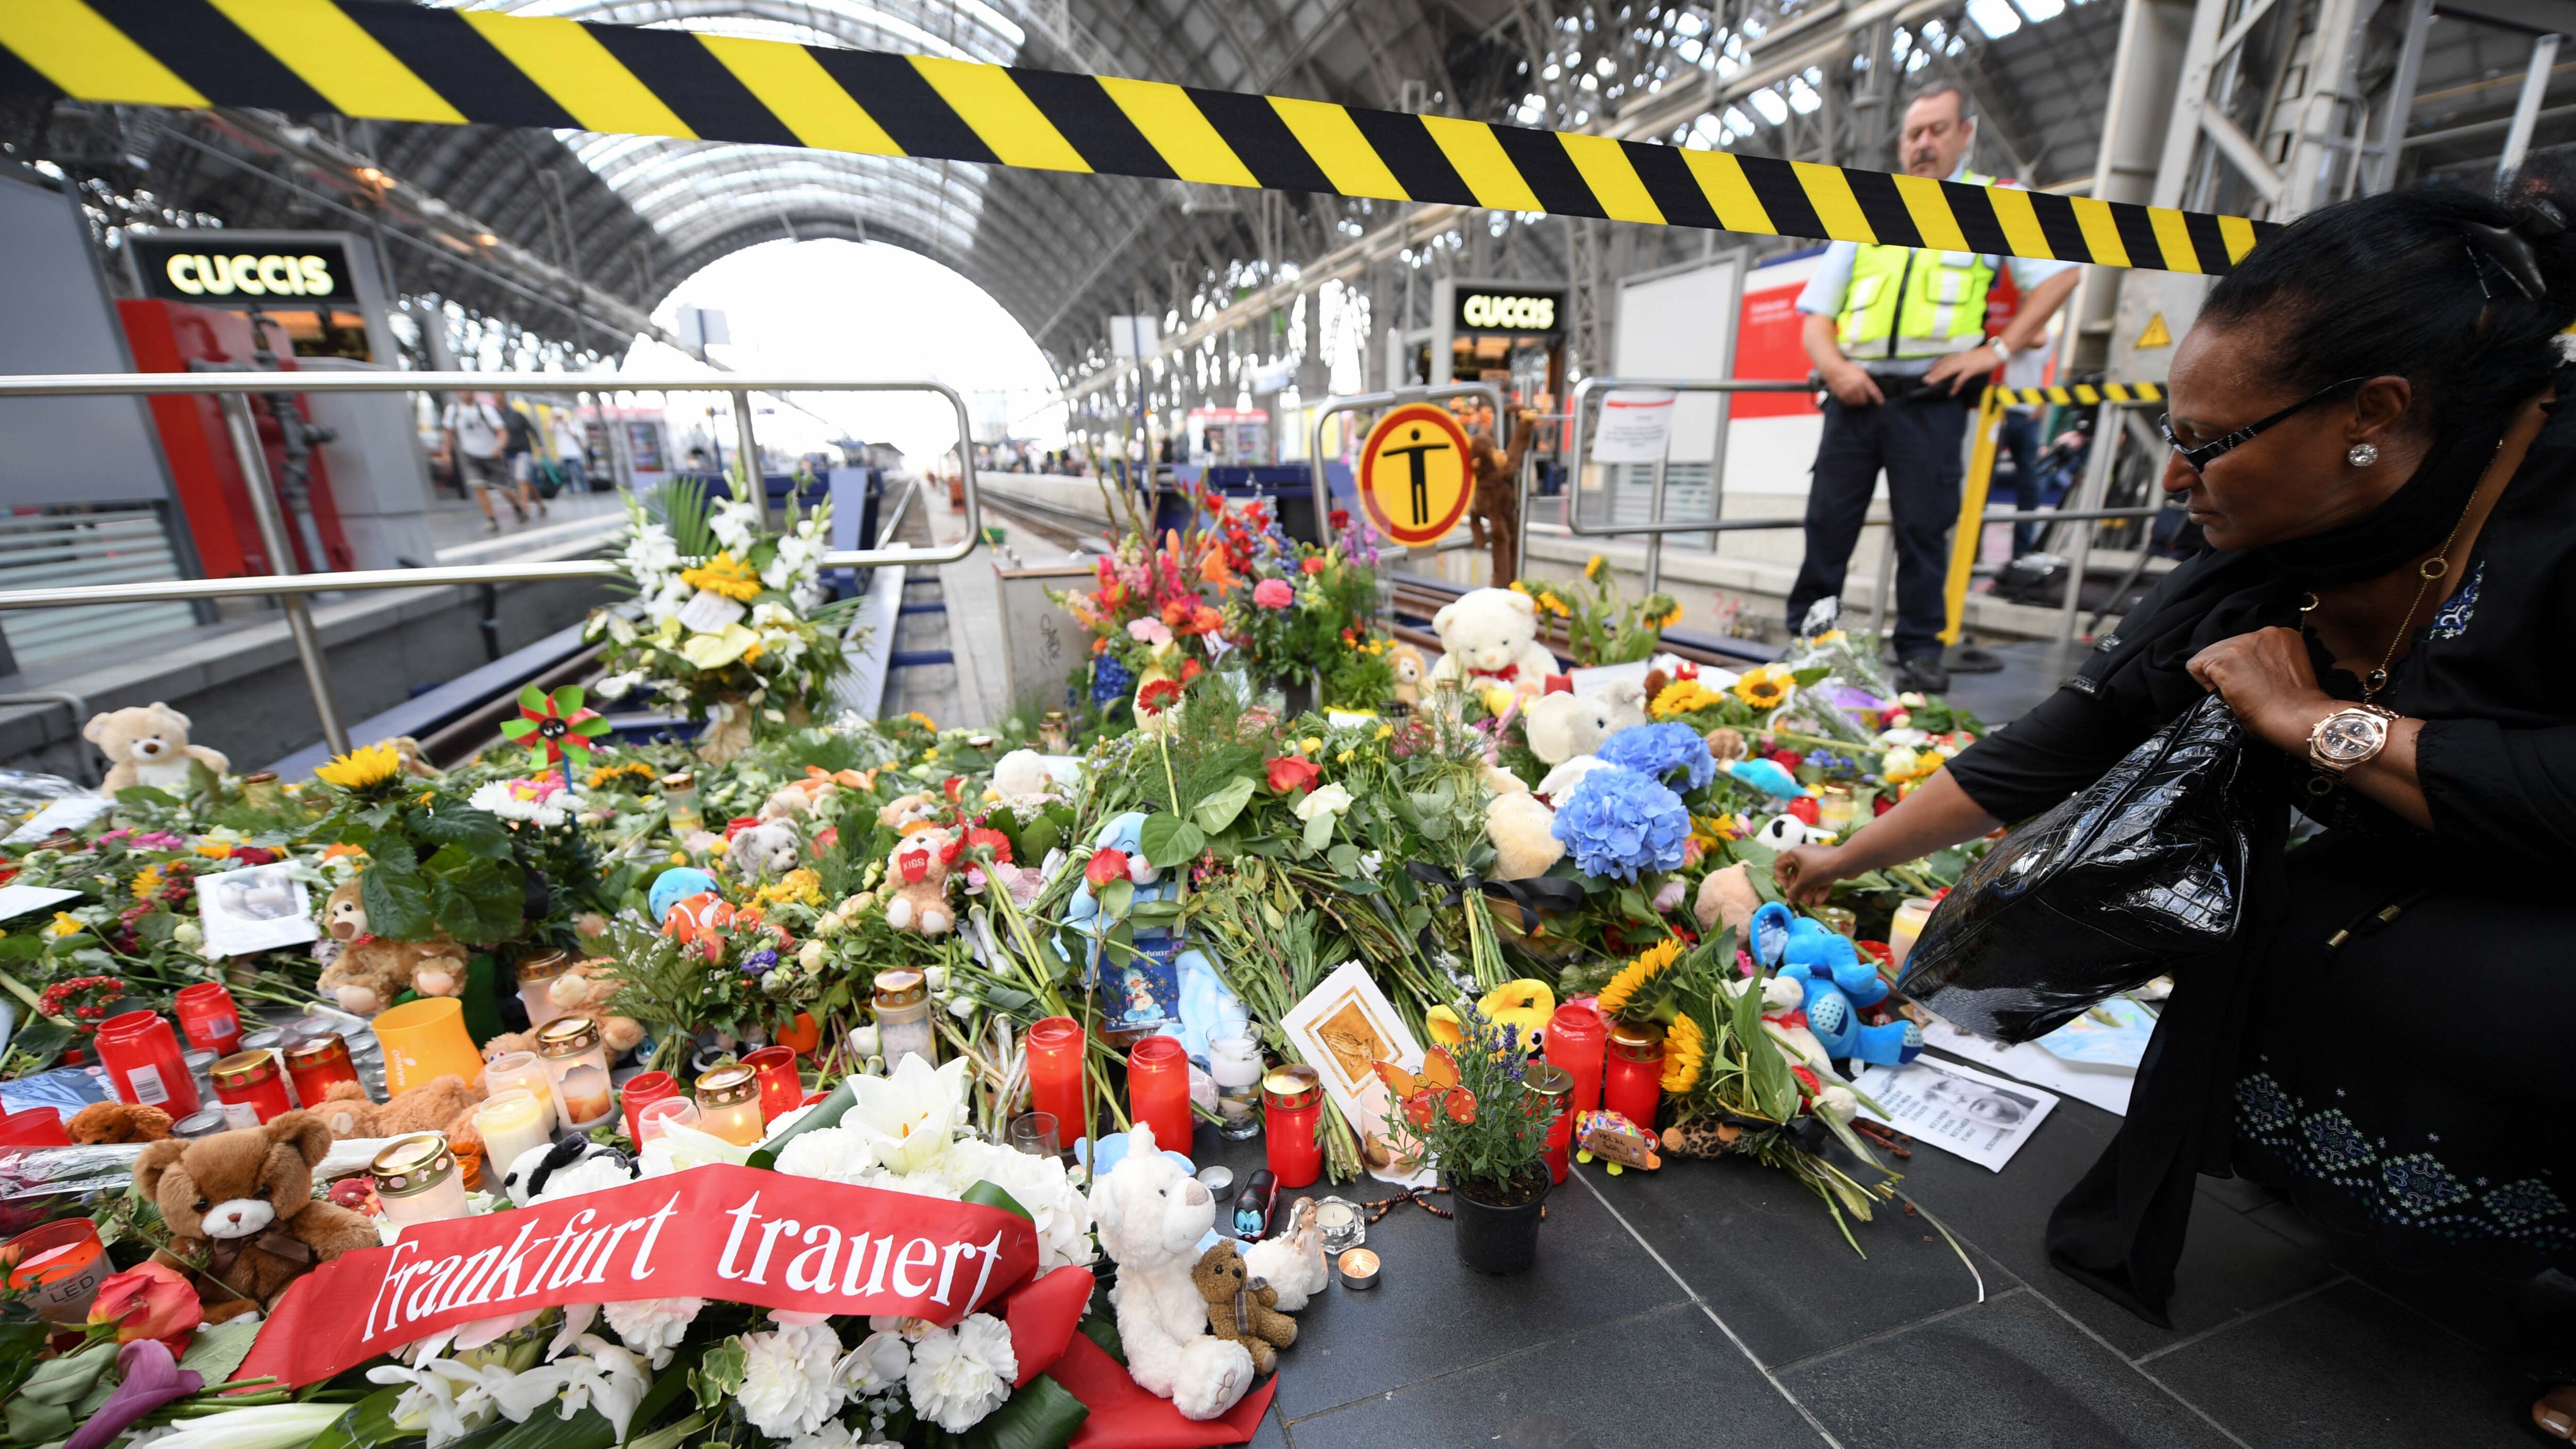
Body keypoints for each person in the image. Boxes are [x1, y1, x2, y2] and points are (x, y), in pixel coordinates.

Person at [1774, 169, 2576, 1436]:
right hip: (2418, 870)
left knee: (2501, 995)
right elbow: (2063, 738)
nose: (2177, 476)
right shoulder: (2277, 545)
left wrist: (2317, 723)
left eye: (2210, 443)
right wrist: (1838, 859)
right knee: (2289, 932)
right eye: (2172, 432)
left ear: (2374, 412)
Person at [1790, 82, 2083, 692]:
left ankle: (1920, 651)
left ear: (1963, 135)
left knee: (1924, 528)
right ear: (1900, 142)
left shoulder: (1987, 206)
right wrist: (1837, 368)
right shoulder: (1870, 207)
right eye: (1913, 133)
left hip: (1930, 395)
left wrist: (1993, 351)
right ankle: (1809, 641)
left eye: (1936, 130)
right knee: (1827, 521)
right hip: (1854, 391)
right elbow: (1817, 314)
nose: (1923, 144)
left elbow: (2060, 277)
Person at [442, 391, 524, 532]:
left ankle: (518, 507)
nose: (466, 394)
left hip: (491, 454)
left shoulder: (486, 409)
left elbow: (502, 431)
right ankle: (491, 520)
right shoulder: (453, 411)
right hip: (470, 455)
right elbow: (448, 433)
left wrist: (499, 447)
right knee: (478, 486)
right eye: (462, 390)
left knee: (503, 488)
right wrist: (446, 453)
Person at [499, 400, 547, 520]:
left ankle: (524, 510)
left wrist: (540, 445)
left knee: (521, 479)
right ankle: (540, 503)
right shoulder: (495, 416)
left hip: (523, 450)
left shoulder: (517, 415)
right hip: (507, 454)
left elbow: (531, 429)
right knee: (525, 480)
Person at [549, 411, 589, 495]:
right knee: (567, 474)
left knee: (579, 472)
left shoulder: (570, 424)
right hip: (563, 453)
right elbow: (549, 429)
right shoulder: (555, 426)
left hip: (574, 452)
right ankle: (572, 491)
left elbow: (576, 435)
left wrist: (566, 425)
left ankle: (585, 490)